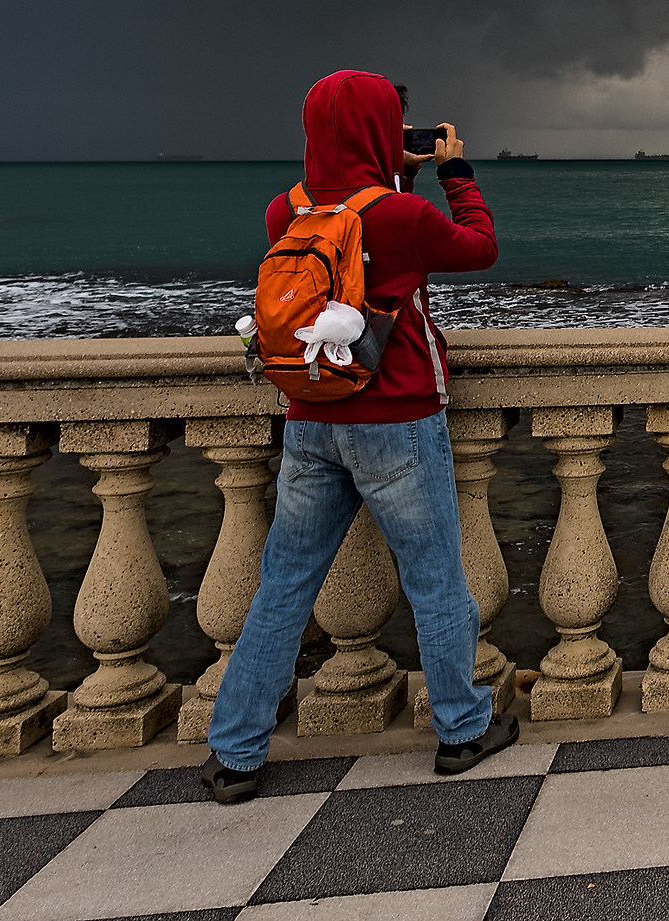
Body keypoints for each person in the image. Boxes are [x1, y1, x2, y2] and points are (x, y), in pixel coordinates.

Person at [200, 70, 519, 803]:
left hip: (311, 420)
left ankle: (237, 752)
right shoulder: (402, 216)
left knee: (283, 585)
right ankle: (462, 727)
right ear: (383, 132)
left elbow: (345, 237)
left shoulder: (288, 208)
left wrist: (393, 173)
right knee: (436, 581)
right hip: (398, 421)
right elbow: (478, 245)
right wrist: (454, 170)